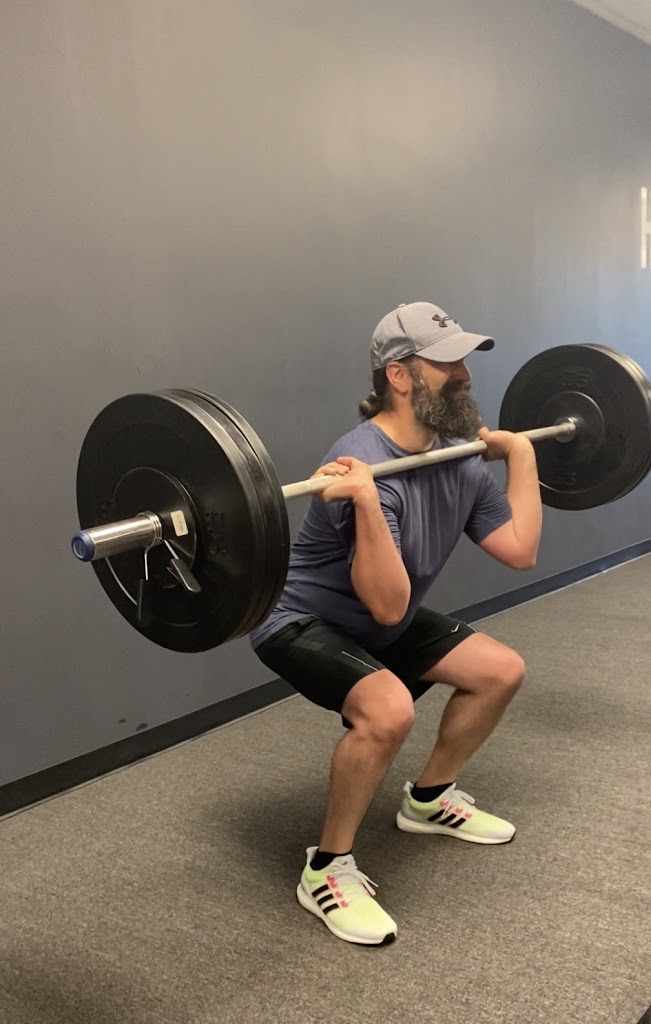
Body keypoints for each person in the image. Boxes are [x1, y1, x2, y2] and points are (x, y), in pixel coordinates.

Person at [250, 301, 541, 946]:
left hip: (385, 613)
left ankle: (429, 800)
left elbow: (520, 550)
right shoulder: (362, 463)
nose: (464, 374)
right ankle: (326, 871)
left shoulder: (459, 454)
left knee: (500, 671)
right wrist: (363, 502)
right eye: (447, 363)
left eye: (464, 360)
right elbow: (385, 605)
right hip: (302, 619)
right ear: (400, 376)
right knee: (387, 711)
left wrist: (521, 454)